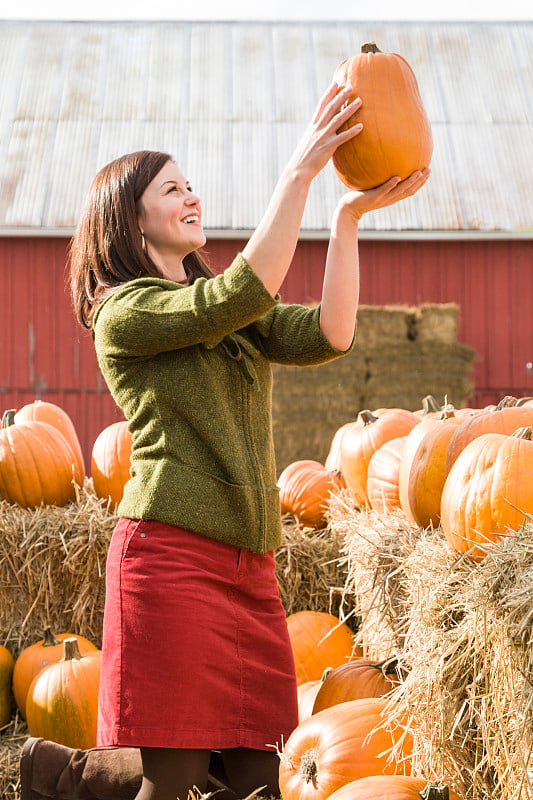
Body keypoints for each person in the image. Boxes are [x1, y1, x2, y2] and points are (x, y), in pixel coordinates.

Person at [20, 81, 430, 800]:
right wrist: (298, 172)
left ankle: (64, 774)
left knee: (258, 778)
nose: (191, 196)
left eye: (190, 184)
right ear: (129, 220)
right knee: (173, 782)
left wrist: (345, 219)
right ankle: (72, 774)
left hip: (249, 567)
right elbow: (240, 291)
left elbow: (330, 334)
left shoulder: (222, 307)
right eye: (171, 188)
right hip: (171, 559)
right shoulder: (126, 313)